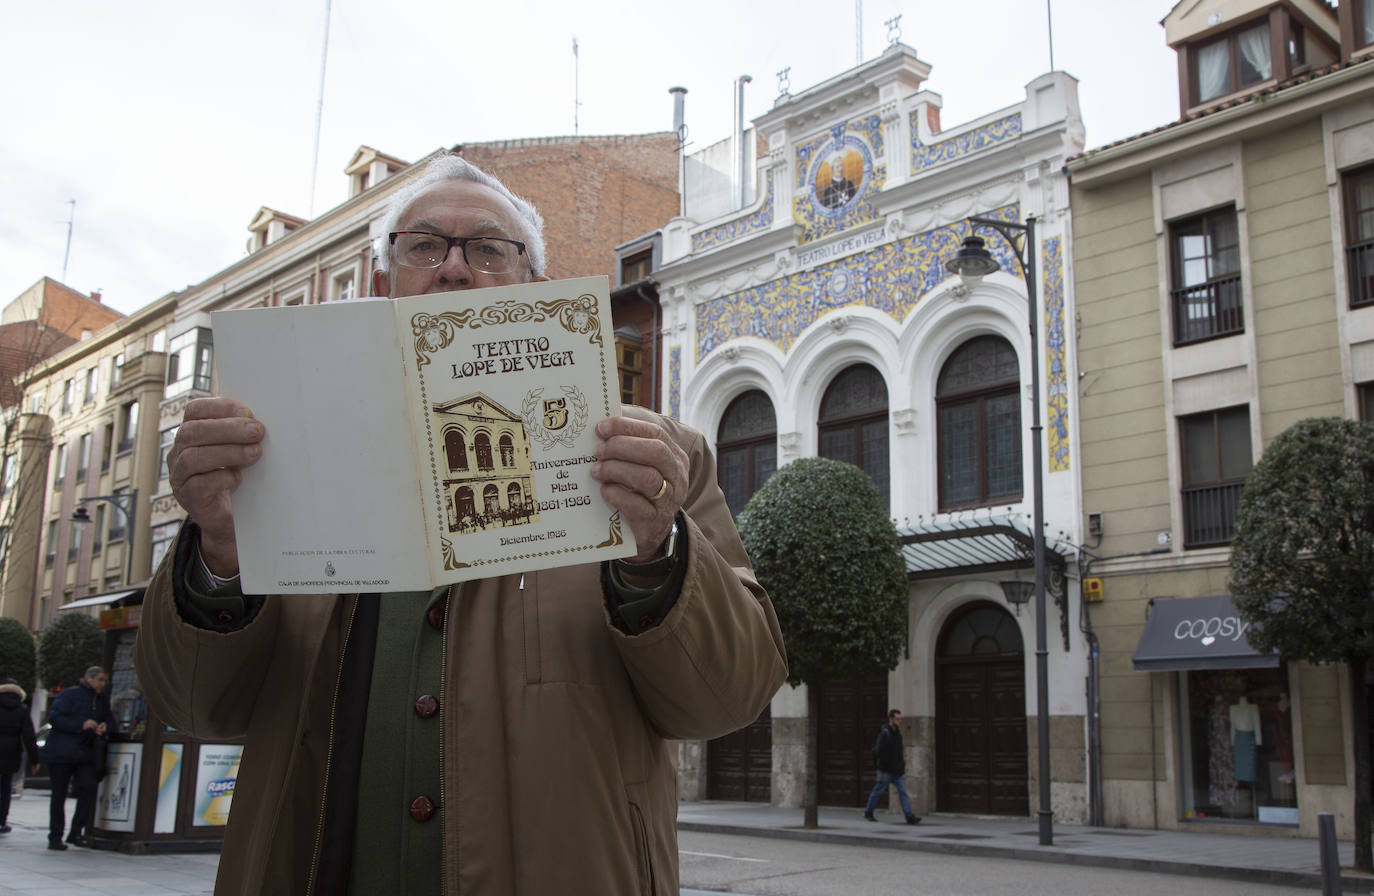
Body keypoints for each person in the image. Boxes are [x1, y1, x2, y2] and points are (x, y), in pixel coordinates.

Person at [135, 154, 788, 895]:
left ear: (534, 289)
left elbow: (726, 697)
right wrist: (220, 550)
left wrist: (656, 556)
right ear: (382, 285)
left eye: (487, 249)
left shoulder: (656, 459)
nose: (452, 270)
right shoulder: (279, 456)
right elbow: (194, 706)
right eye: (423, 246)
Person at [41, 666, 115, 849]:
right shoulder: (69, 695)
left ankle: (76, 832)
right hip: (63, 752)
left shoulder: (101, 700)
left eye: (104, 680)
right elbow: (55, 718)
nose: (103, 684)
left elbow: (111, 721)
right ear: (89, 679)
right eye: (100, 680)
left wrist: (105, 726)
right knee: (59, 795)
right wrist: (81, 724)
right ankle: (55, 835)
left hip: (86, 752)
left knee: (88, 789)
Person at [863, 708, 920, 825]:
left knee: (903, 793)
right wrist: (883, 765)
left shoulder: (898, 734)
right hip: (886, 770)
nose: (899, 721)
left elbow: (899, 752)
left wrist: (901, 765)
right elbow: (878, 751)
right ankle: (868, 812)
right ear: (891, 719)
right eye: (897, 719)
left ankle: (909, 816)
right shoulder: (884, 734)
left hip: (898, 771)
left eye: (900, 719)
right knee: (877, 791)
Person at [0, 678, 39, 834]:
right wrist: (35, 759)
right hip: (12, 751)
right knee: (5, 786)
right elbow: (29, 735)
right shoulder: (22, 709)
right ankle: (2, 821)